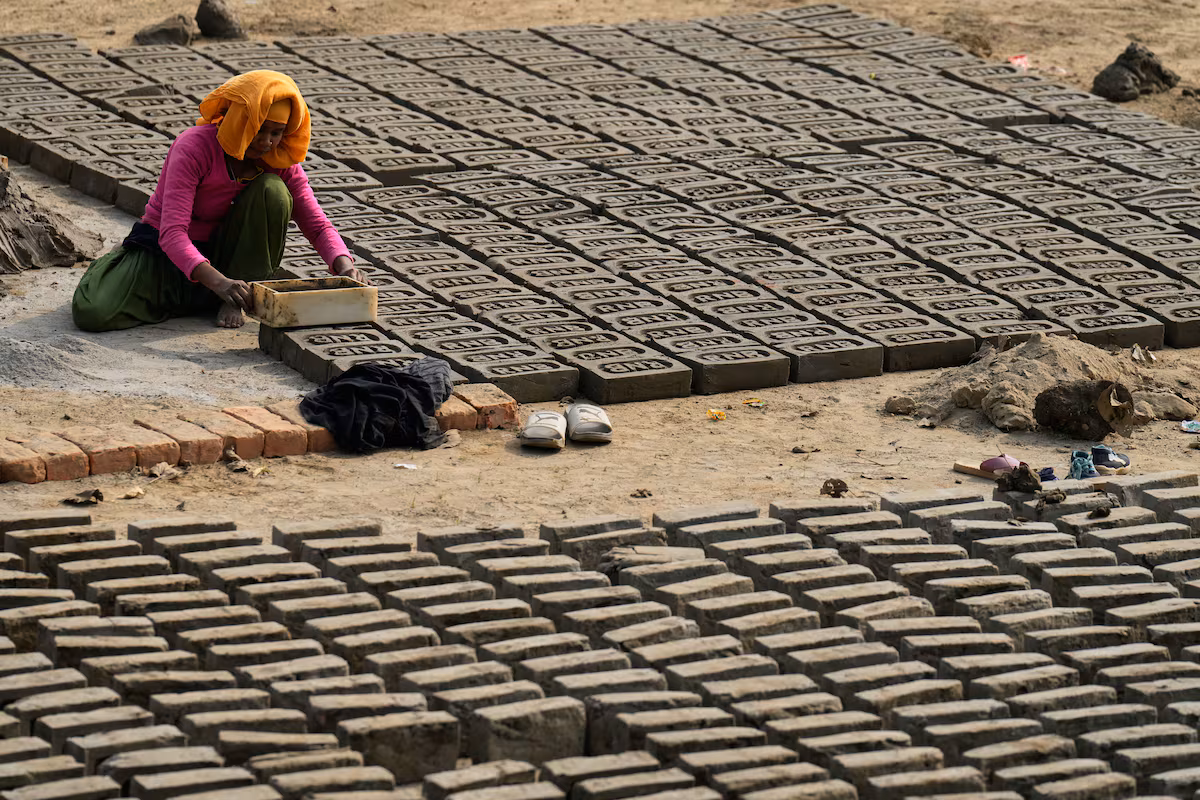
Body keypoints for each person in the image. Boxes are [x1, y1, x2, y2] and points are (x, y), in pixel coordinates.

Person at [72, 70, 365, 331]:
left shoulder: (280, 161)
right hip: (166, 256)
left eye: (276, 133)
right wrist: (218, 283)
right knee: (92, 312)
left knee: (273, 192)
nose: (266, 142)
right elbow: (172, 234)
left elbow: (316, 224)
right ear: (240, 119)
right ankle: (137, 275)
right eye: (259, 128)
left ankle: (238, 294)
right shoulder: (195, 147)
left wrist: (344, 266)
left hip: (230, 263)